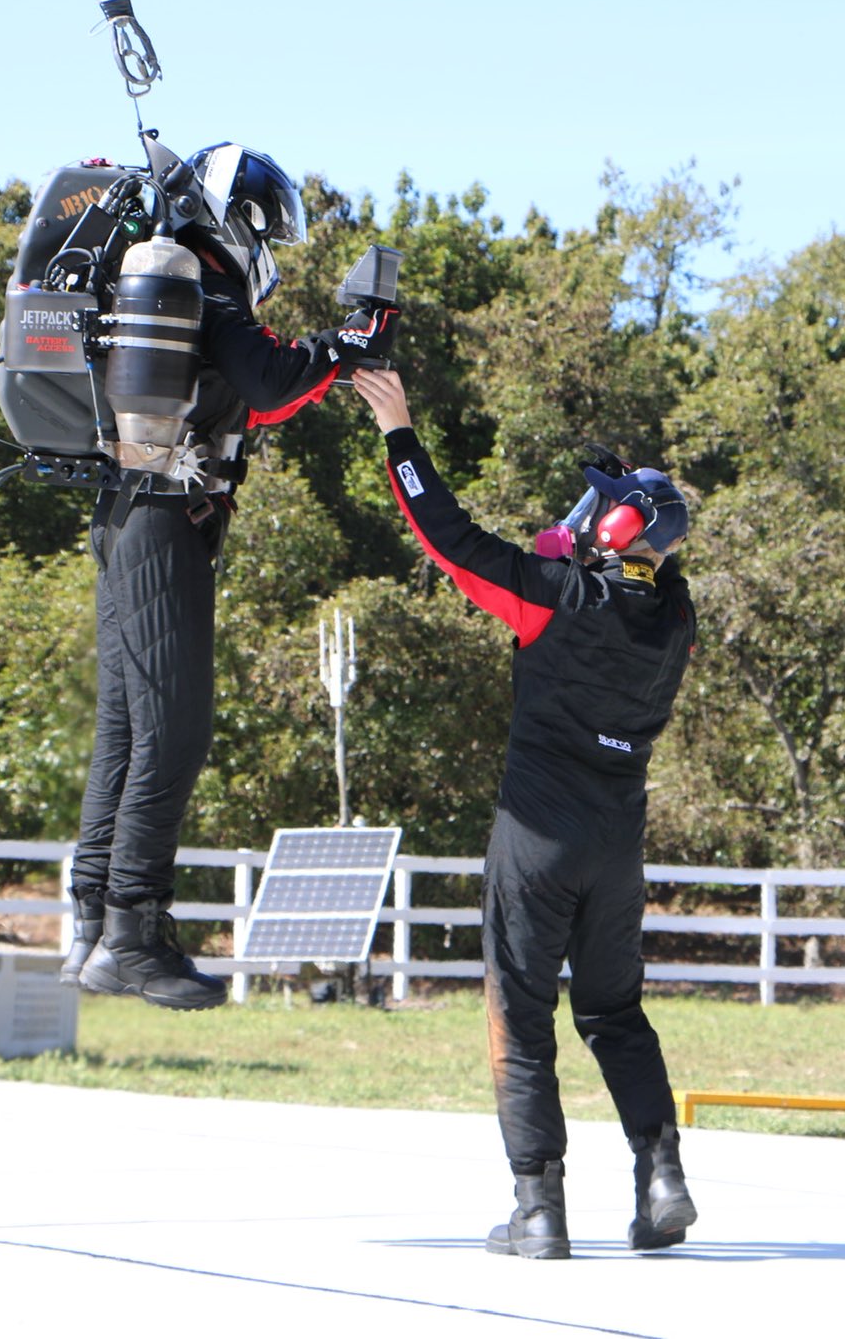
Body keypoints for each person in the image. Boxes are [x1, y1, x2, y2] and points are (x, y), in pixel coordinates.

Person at [352, 366, 699, 1259]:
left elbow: (449, 538)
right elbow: (650, 568)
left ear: (605, 534)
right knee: (616, 1013)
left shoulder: (552, 600)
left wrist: (399, 431)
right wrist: (623, 517)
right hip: (618, 847)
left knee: (521, 1012)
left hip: (536, 839)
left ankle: (538, 1209)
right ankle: (661, 1176)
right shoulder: (674, 624)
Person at [61, 143, 398, 1009]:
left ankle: (95, 922)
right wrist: (352, 344)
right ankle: (133, 934)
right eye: (264, 224)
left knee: (129, 727)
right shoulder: (202, 280)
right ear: (236, 218)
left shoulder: (179, 281)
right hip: (165, 511)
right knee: (172, 728)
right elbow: (273, 383)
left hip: (129, 511)